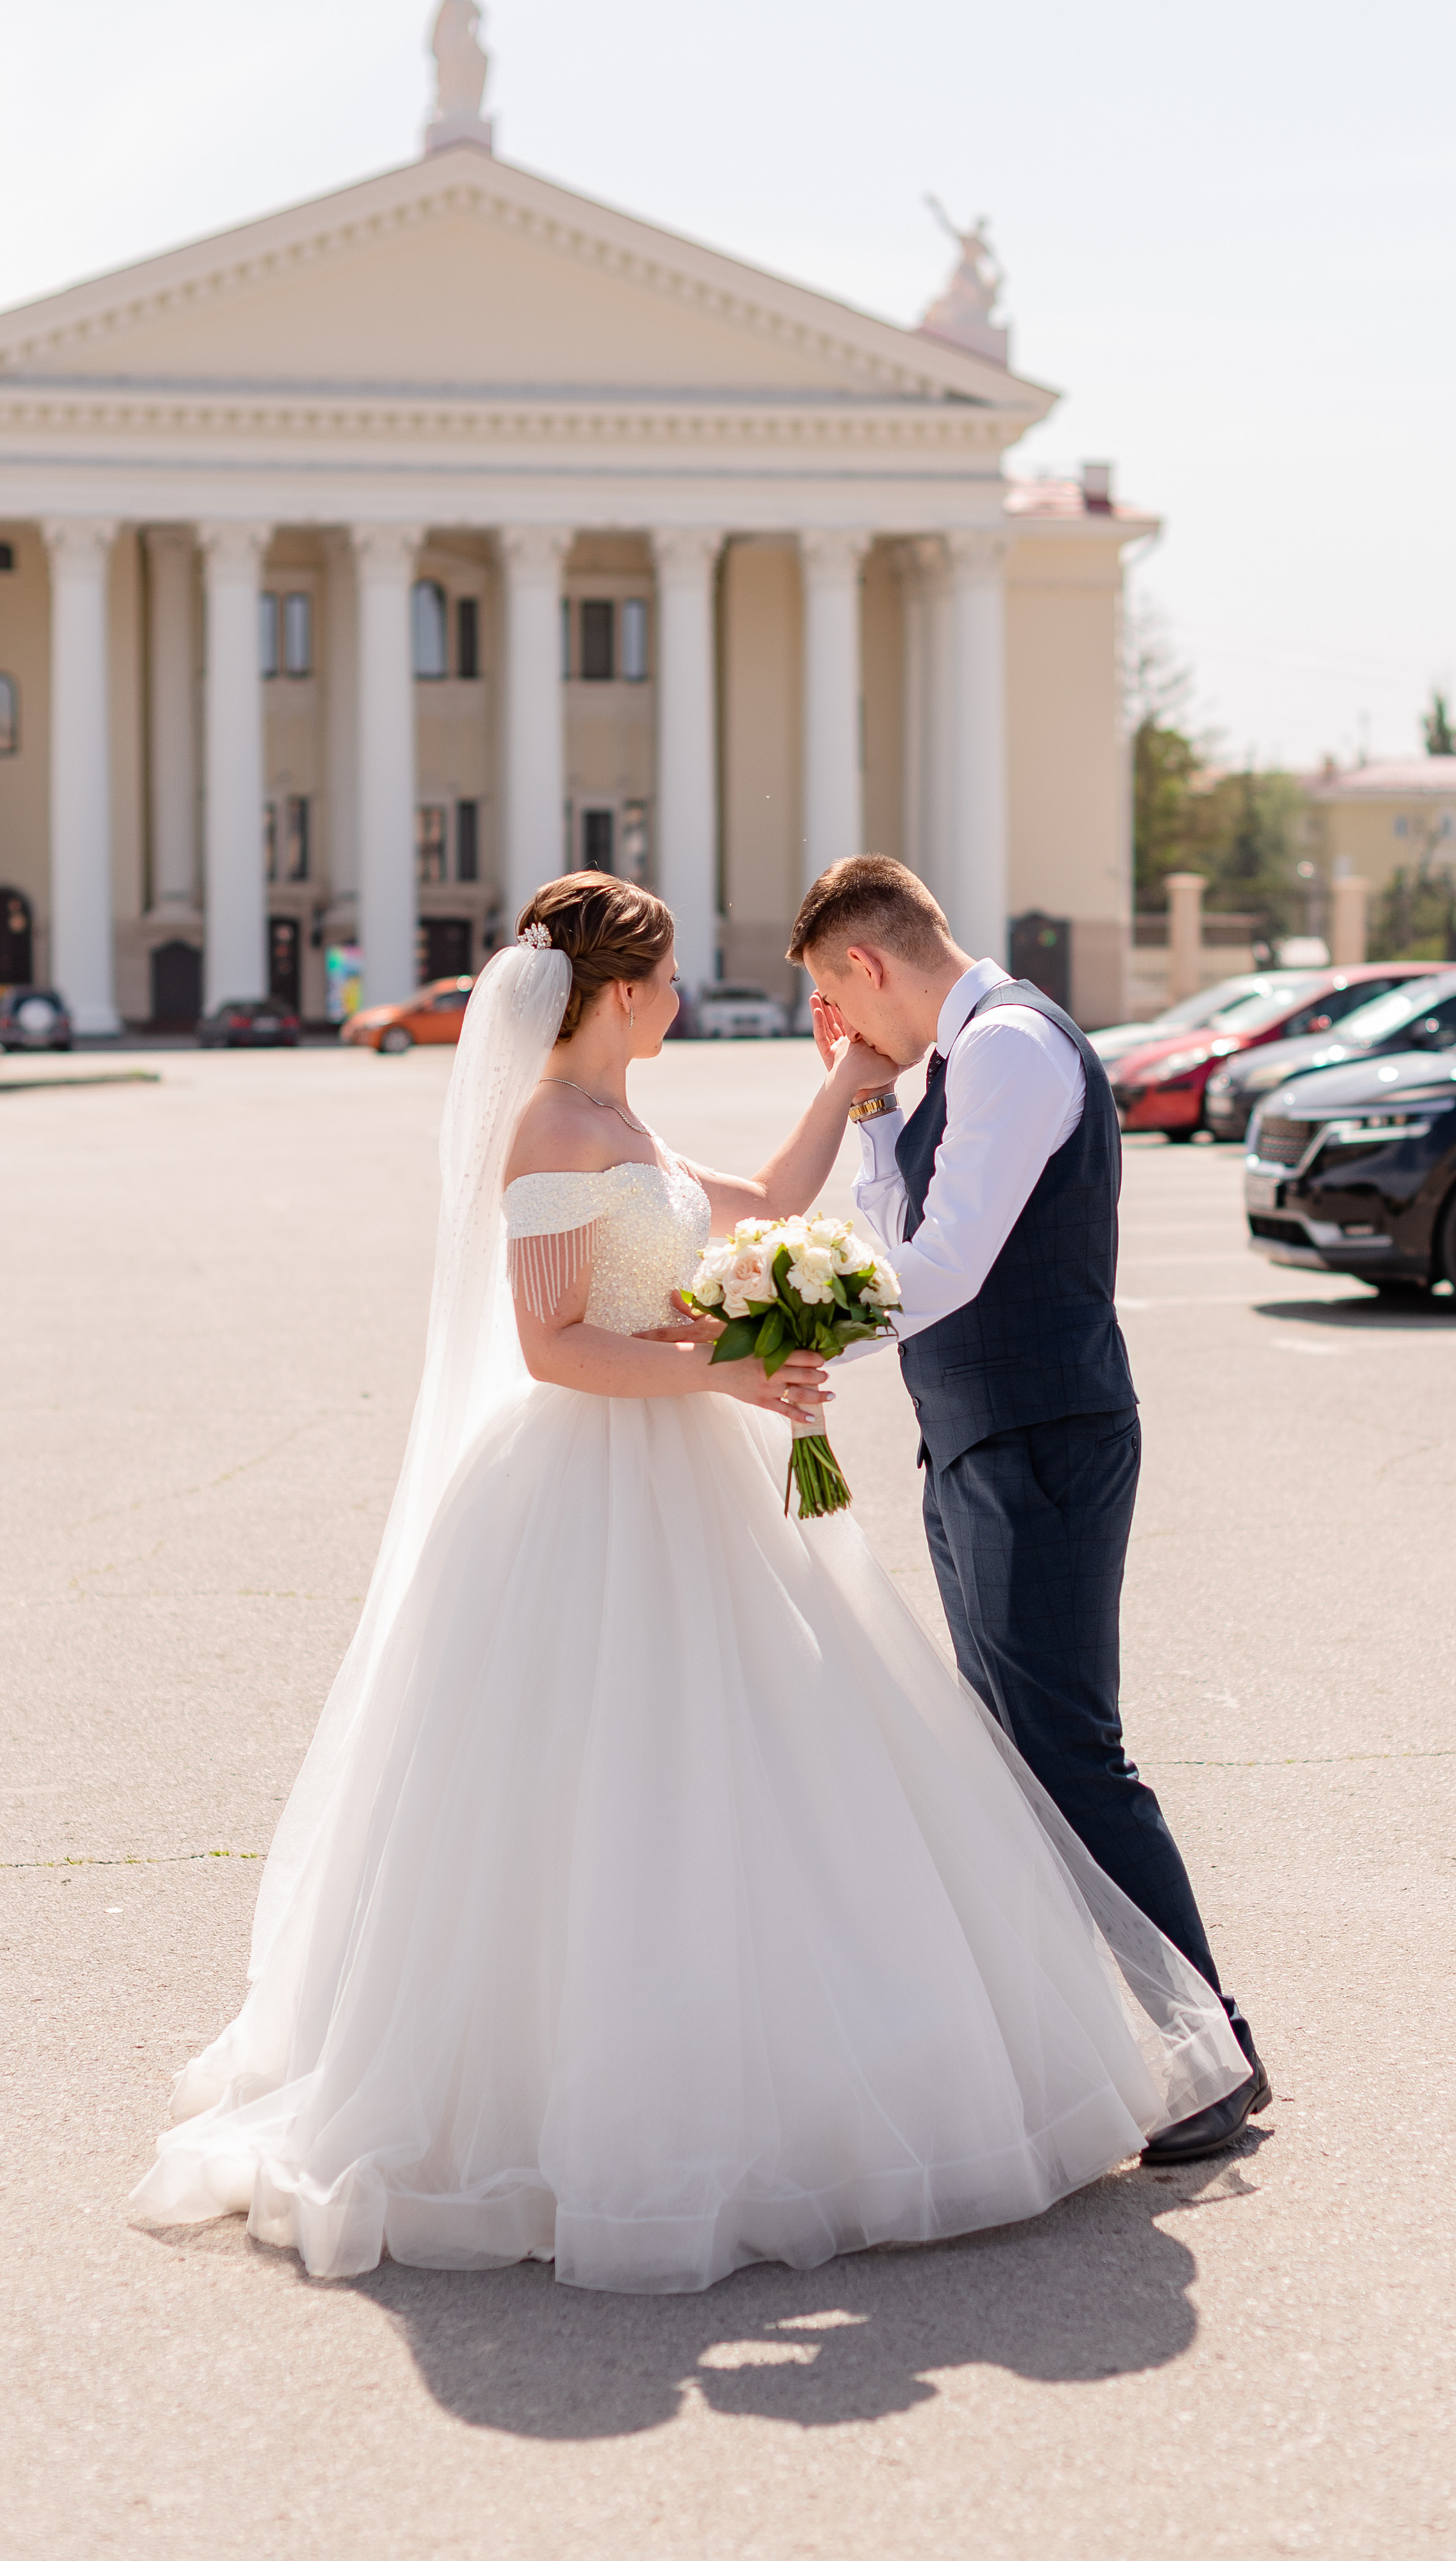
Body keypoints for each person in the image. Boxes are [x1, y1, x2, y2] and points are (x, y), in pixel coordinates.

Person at [131, 873, 1248, 2292]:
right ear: (613, 994)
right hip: (582, 1486)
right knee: (604, 1789)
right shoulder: (548, 1128)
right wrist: (728, 1367)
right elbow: (546, 1342)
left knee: (758, 1767)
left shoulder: (625, 1124)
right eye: (662, 979)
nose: (679, 997)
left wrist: (848, 1091)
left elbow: (774, 1202)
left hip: (692, 1463)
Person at [789, 853, 1269, 2165]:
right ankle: (1129, 2040)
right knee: (1015, 1755)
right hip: (975, 1440)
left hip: (1043, 1439)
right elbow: (909, 1223)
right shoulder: (948, 1070)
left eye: (837, 1004)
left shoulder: (1007, 1050)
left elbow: (942, 1266)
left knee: (1067, 1749)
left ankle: (1215, 2050)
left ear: (866, 968)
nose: (841, 1034)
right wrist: (877, 1117)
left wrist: (793, 1328)